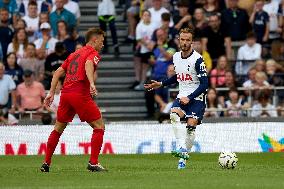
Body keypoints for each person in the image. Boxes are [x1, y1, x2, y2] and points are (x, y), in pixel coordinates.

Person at [40, 28, 107, 172]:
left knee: (58, 128)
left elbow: (57, 72)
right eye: (101, 41)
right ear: (94, 39)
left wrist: (51, 93)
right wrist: (92, 83)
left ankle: (46, 163)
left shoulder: (74, 54)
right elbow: (89, 64)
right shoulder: (92, 53)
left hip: (65, 94)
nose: (102, 45)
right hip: (79, 93)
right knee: (99, 126)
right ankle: (93, 163)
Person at [144, 27, 208, 169]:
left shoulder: (198, 60)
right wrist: (161, 83)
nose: (185, 42)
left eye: (188, 40)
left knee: (190, 128)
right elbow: (178, 76)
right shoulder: (176, 57)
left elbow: (205, 84)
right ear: (179, 40)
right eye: (182, 39)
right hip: (182, 95)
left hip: (197, 97)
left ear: (192, 42)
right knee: (173, 116)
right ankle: (181, 148)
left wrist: (190, 97)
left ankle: (183, 159)